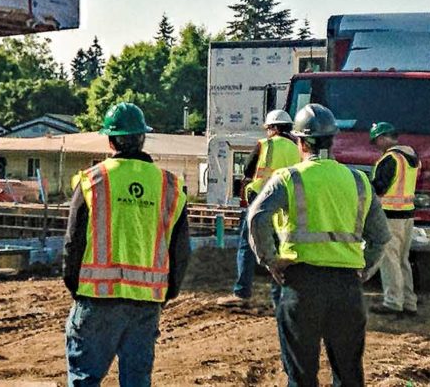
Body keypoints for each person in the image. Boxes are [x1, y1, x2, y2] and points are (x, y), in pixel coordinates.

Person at [248, 103, 389, 387]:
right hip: (347, 287)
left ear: (301, 142)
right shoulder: (359, 181)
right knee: (349, 375)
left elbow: (258, 218)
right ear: (333, 140)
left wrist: (271, 260)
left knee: (301, 376)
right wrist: (363, 270)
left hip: (302, 284)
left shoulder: (288, 178)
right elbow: (380, 236)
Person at [63, 102, 190, 387]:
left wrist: (75, 286)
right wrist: (167, 291)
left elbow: (73, 242)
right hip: (146, 303)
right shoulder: (169, 186)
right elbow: (181, 251)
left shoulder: (92, 181)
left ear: (110, 140)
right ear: (142, 138)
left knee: (85, 379)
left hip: (96, 298)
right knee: (136, 381)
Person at [218, 109, 302, 309]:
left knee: (247, 245)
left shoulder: (265, 145)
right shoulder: (298, 148)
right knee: (281, 249)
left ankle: (242, 292)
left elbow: (248, 169)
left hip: (261, 202)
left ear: (273, 128)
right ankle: (280, 298)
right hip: (287, 205)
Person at [367, 122, 419, 317]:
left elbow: (380, 188)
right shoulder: (410, 157)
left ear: (383, 138)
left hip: (391, 216)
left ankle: (393, 302)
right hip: (407, 215)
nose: (376, 145)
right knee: (403, 260)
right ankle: (409, 302)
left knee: (389, 260)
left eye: (376, 141)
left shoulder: (391, 159)